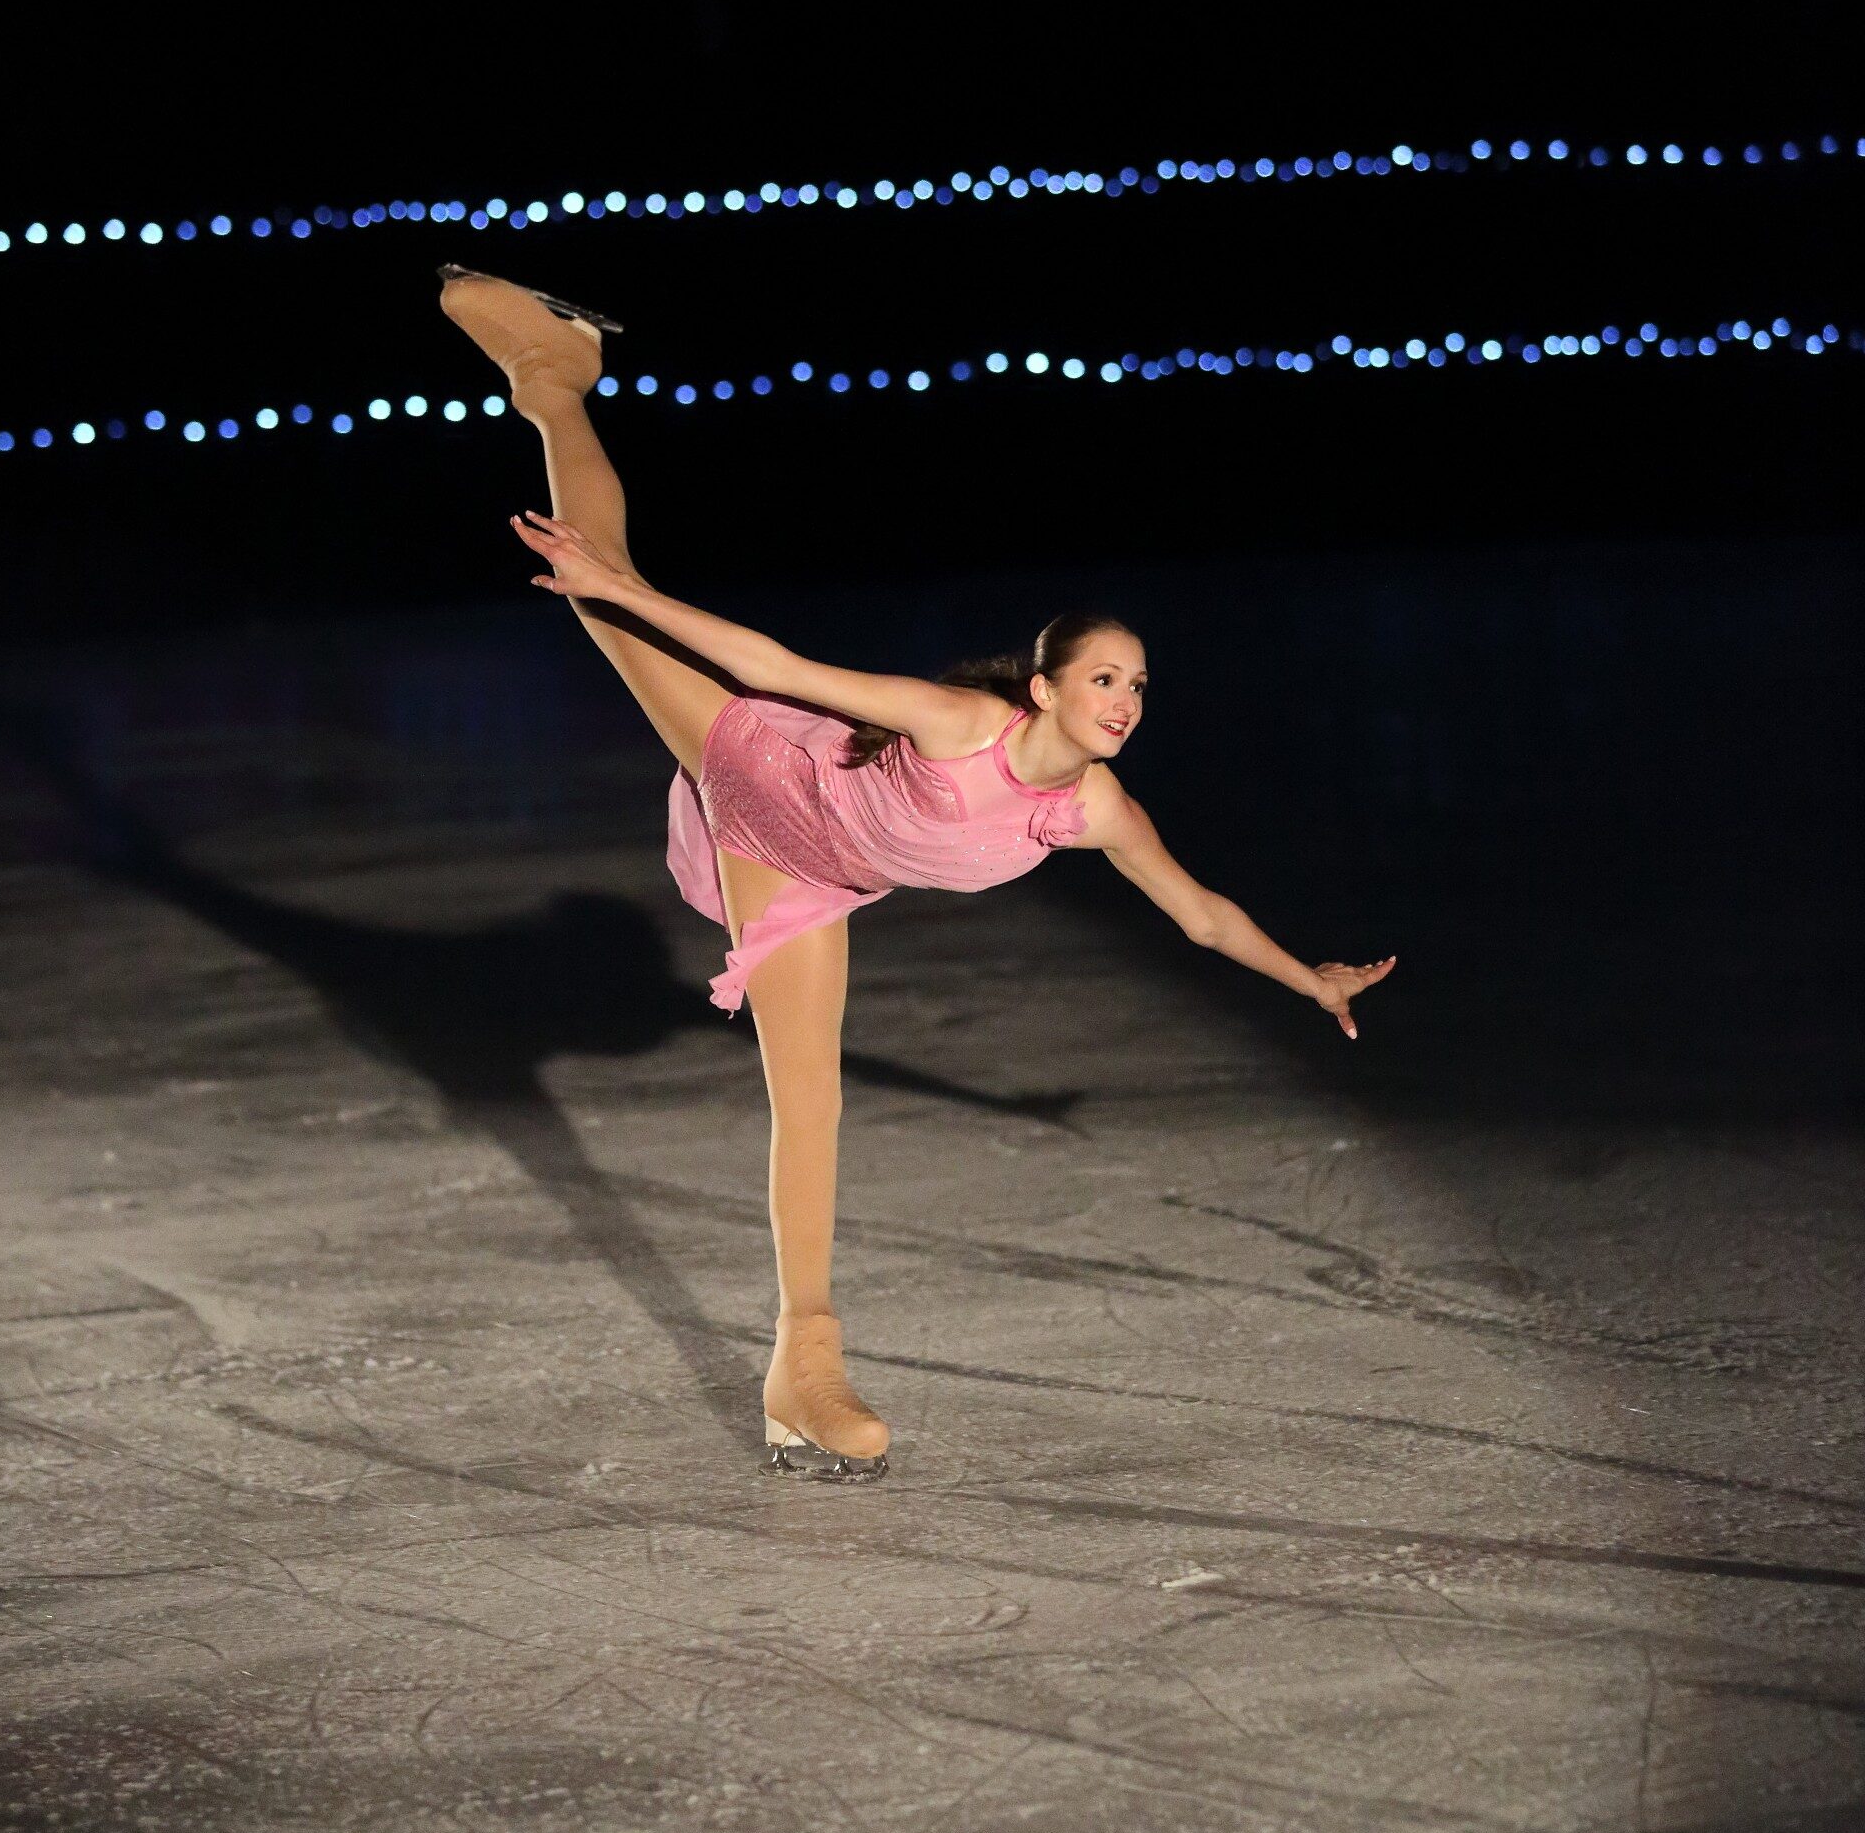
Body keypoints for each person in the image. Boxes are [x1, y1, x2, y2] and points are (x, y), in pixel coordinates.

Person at [436, 265, 1396, 1482]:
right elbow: (777, 663)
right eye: (1107, 678)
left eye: (1142, 684)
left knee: (811, 1100)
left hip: (809, 878)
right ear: (1045, 686)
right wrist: (622, 590)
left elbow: (1201, 913)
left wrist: (1307, 980)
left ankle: (800, 1368)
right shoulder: (955, 722)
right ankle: (554, 376)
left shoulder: (1093, 808)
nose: (1128, 701)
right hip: (761, 774)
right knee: (603, 596)